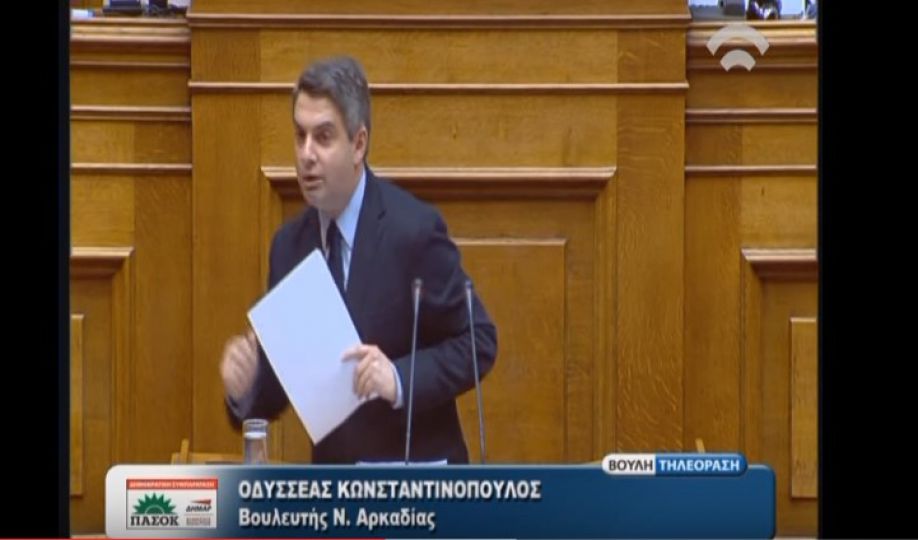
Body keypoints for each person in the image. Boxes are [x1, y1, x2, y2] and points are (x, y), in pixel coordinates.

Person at [219, 55, 498, 464]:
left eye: (323, 137)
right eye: (299, 136)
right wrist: (245, 388)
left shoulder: (413, 231)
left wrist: (398, 379)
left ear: (359, 144)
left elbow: (478, 341)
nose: (306, 154)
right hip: (335, 489)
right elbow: (285, 388)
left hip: (416, 481)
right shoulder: (289, 248)